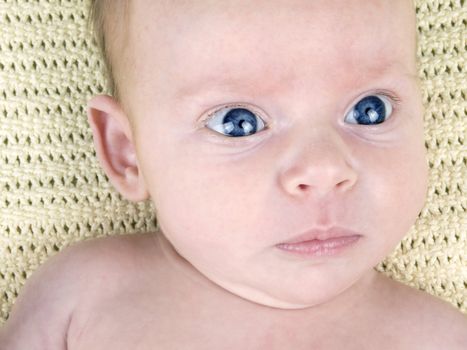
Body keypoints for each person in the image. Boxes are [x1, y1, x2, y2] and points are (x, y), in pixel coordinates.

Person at [1, 0, 466, 348]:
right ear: (129, 153)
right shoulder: (87, 293)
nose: (325, 169)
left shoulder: (438, 336)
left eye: (371, 111)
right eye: (238, 122)